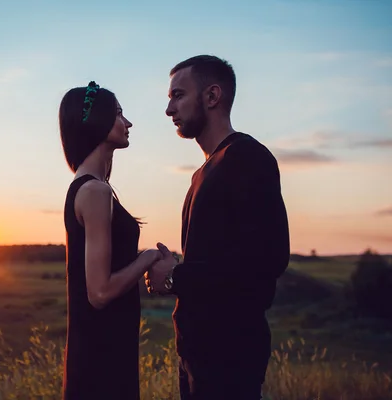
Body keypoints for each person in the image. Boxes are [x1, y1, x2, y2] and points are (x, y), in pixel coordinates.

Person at [145, 55, 290, 399]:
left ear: (212, 96)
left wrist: (174, 276)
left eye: (178, 95)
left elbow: (267, 260)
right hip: (196, 354)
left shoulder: (247, 158)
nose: (168, 109)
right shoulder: (202, 173)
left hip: (230, 357)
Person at [59, 81, 162, 400]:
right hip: (101, 355)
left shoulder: (90, 188)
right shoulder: (94, 192)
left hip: (104, 347)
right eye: (119, 114)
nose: (128, 123)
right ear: (99, 122)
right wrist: (149, 258)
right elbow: (99, 292)